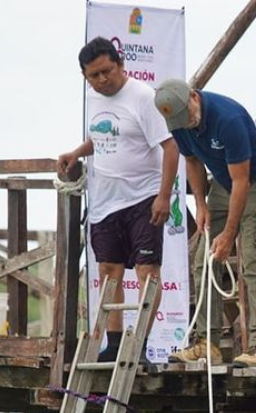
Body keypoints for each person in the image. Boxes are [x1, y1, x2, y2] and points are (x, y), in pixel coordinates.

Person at [57, 37, 178, 365]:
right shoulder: (92, 99)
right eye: (93, 75)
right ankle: (112, 342)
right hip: (105, 201)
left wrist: (164, 197)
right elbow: (102, 136)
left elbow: (170, 147)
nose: (101, 80)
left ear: (120, 65)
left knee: (146, 272)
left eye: (106, 72)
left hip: (143, 197)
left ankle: (138, 346)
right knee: (109, 271)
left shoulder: (142, 97)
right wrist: (77, 152)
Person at [154, 79, 256, 368]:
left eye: (185, 116)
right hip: (223, 184)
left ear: (193, 97)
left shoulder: (228, 119)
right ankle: (207, 343)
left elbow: (243, 181)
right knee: (203, 261)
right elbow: (191, 162)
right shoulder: (177, 119)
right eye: (177, 121)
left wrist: (228, 235)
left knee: (253, 258)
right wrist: (200, 203)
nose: (184, 124)